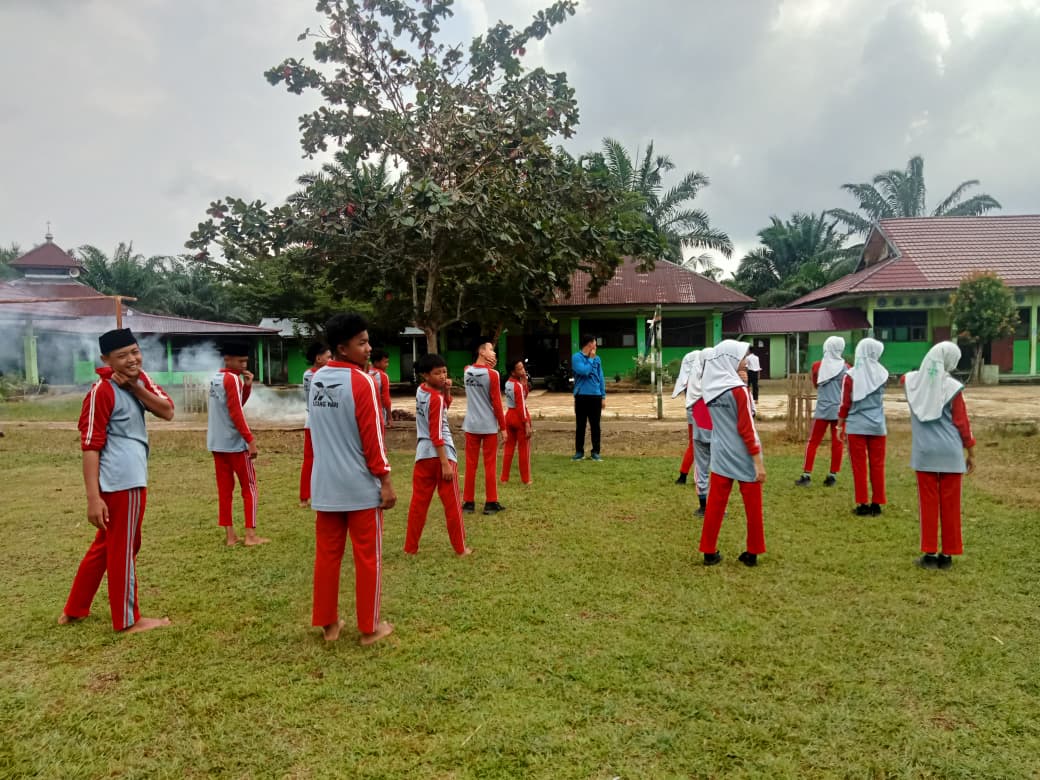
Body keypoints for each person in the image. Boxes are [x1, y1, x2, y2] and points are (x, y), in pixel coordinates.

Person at [59, 328, 174, 634]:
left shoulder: (141, 381)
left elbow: (167, 411)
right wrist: (92, 497)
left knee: (106, 545)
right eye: (122, 356)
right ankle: (127, 621)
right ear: (106, 359)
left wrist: (137, 388)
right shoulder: (102, 391)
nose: (132, 360)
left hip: (131, 476)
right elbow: (90, 445)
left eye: (135, 352)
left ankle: (74, 609)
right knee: (124, 547)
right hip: (122, 480)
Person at [309, 312, 396, 644]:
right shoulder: (362, 381)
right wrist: (385, 479)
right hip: (360, 487)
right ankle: (370, 628)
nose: (369, 348)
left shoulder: (316, 379)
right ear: (343, 348)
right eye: (362, 343)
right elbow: (372, 437)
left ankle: (328, 625)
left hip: (326, 485)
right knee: (367, 557)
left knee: (327, 556)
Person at [902, 342, 976, 570]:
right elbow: (962, 423)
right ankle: (948, 554)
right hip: (951, 454)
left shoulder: (910, 383)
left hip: (925, 454)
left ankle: (930, 553)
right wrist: (971, 451)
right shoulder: (953, 388)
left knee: (928, 505)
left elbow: (905, 378)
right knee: (951, 505)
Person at [697, 340, 766, 567]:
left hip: (720, 454)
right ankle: (752, 552)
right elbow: (748, 429)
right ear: (729, 359)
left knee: (715, 506)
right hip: (744, 455)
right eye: (741, 357)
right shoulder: (740, 391)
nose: (745, 361)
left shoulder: (710, 389)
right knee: (753, 507)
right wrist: (758, 462)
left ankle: (709, 551)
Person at [404, 353, 473, 556]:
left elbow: (442, 410)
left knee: (418, 503)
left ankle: (410, 547)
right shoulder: (435, 397)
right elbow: (436, 432)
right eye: (437, 373)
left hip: (422, 455)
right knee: (452, 505)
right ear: (426, 375)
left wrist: (447, 391)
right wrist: (444, 463)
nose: (443, 376)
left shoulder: (422, 391)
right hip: (441, 454)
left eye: (444, 372)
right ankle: (461, 548)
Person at [207, 341, 269, 547]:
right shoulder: (232, 379)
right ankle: (251, 535)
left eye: (246, 361)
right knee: (249, 487)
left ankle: (230, 536)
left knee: (224, 490)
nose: (244, 365)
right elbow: (236, 412)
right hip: (234, 444)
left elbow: (233, 405)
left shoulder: (217, 378)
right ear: (228, 359)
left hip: (217, 444)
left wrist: (248, 386)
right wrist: (250, 440)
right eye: (241, 361)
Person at [838, 338, 889, 517]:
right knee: (878, 465)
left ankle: (862, 503)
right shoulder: (883, 374)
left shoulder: (850, 376)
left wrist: (839, 425)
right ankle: (877, 503)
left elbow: (845, 404)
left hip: (855, 426)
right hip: (877, 426)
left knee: (859, 467)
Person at [795, 336, 849, 488]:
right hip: (839, 411)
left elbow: (816, 385)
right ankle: (832, 475)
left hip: (822, 409)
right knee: (837, 443)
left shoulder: (817, 366)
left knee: (813, 442)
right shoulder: (846, 368)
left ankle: (806, 474)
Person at [461, 338, 507, 515]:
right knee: (490, 465)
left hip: (471, 425)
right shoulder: (493, 375)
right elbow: (496, 403)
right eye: (490, 349)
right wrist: (503, 428)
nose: (493, 352)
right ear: (482, 352)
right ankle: (490, 502)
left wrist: (488, 366)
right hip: (488, 426)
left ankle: (468, 503)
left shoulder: (467, 371)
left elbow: (472, 368)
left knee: (470, 465)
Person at [299, 341, 331, 507]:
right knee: (314, 459)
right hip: (319, 423)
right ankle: (307, 496)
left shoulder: (308, 374)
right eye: (328, 357)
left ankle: (307, 497)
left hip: (313, 422)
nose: (331, 360)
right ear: (319, 359)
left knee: (311, 459)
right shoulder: (316, 375)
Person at [686, 347, 715, 517]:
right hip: (719, 431)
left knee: (701, 467)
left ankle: (704, 506)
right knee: (719, 470)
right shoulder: (723, 379)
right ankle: (718, 505)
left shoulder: (694, 380)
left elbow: (690, 404)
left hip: (701, 430)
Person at [572, 334, 606, 461]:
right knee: (580, 425)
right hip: (581, 396)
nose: (596, 346)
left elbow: (600, 377)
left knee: (595, 425)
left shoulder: (597, 359)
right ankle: (579, 452)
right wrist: (591, 359)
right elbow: (584, 371)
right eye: (595, 343)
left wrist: (603, 396)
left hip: (595, 396)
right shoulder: (576, 358)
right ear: (589, 344)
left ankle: (595, 452)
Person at [500, 357, 533, 485]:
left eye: (523, 367)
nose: (523, 370)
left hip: (509, 415)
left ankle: (504, 478)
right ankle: (526, 479)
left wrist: (524, 384)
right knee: (523, 450)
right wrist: (526, 424)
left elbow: (521, 397)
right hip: (519, 417)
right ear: (513, 372)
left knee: (509, 449)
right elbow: (521, 405)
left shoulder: (508, 383)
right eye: (520, 369)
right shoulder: (517, 386)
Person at [671, 350, 700, 485]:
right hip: (700, 413)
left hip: (692, 412)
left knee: (694, 444)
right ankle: (692, 476)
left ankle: (684, 475)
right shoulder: (699, 377)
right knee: (701, 445)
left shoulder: (686, 379)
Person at [368, 348, 393, 430]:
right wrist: (389, 417)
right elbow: (386, 399)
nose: (387, 364)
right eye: (385, 362)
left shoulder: (364, 372)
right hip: (379, 412)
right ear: (376, 362)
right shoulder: (383, 376)